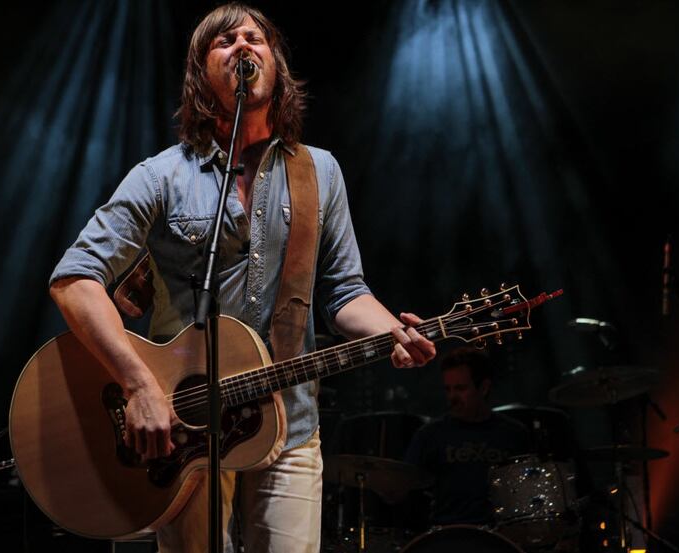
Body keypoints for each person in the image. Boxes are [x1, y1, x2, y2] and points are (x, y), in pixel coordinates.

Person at [48, 3, 435, 553]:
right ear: (201, 72)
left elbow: (346, 292)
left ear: (275, 63)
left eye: (255, 38)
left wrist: (391, 329)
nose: (243, 47)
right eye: (224, 41)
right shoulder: (160, 176)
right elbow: (75, 278)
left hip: (289, 422)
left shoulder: (318, 171)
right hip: (183, 430)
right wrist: (137, 384)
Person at [405, 346, 530, 526]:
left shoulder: (514, 433)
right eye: (448, 389)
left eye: (460, 388)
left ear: (484, 387)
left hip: (503, 536)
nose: (452, 397)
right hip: (448, 535)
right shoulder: (430, 434)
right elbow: (402, 481)